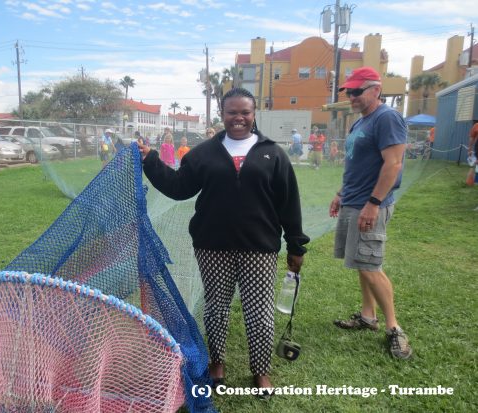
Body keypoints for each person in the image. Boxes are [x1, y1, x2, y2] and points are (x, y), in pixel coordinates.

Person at [138, 87, 309, 397]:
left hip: (259, 247)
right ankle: (216, 363)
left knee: (259, 310)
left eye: (245, 112)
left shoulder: (272, 153)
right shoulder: (204, 153)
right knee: (216, 307)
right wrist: (150, 160)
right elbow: (179, 188)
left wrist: (296, 244)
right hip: (212, 245)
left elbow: (288, 202)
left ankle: (261, 371)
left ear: (254, 114)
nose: (239, 118)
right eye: (232, 112)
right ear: (223, 115)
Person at [329, 66, 412, 360]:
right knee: (361, 261)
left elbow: (393, 164)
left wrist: (373, 203)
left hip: (370, 203)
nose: (351, 96)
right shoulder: (360, 123)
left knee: (370, 265)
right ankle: (368, 316)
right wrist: (341, 194)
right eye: (349, 91)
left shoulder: (387, 118)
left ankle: (394, 329)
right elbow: (356, 164)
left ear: (376, 90)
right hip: (353, 201)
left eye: (357, 91)